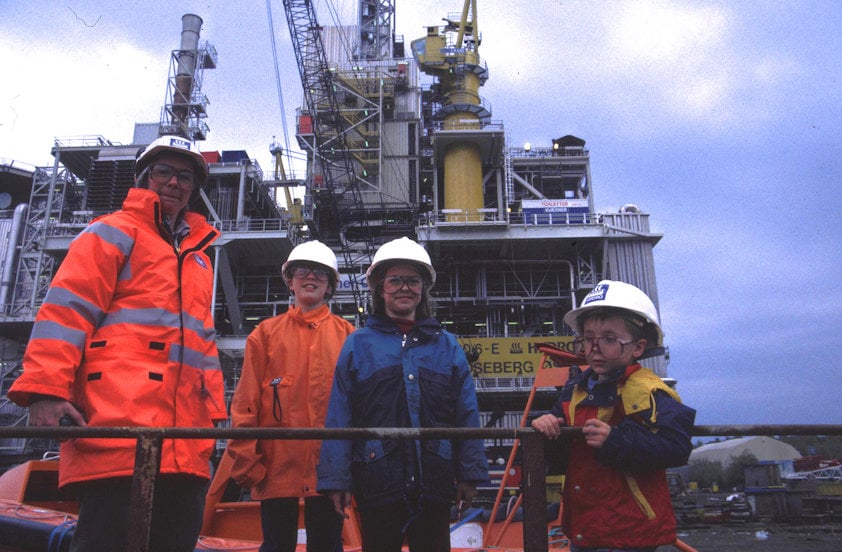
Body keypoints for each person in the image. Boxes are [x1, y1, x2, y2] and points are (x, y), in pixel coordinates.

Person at [7, 135, 226, 551]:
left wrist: (213, 420)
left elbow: (203, 347)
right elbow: (66, 312)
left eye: (185, 177)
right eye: (164, 172)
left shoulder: (198, 257)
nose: (175, 183)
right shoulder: (110, 233)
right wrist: (44, 391)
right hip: (117, 429)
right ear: (144, 178)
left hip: (186, 442)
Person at [317, 236, 489, 552]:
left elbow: (466, 412)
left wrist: (469, 472)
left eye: (412, 281)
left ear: (423, 289)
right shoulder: (358, 345)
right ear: (380, 288)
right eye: (395, 280)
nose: (404, 288)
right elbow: (340, 414)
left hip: (434, 483)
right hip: (377, 482)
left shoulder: (446, 345)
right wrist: (336, 480)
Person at [531, 279, 696, 552]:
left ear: (638, 347)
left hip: (629, 532)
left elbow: (676, 448)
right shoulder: (576, 390)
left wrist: (615, 441)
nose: (594, 348)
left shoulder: (648, 391)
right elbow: (560, 447)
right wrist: (543, 426)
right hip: (584, 528)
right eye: (588, 338)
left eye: (609, 339)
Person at [227, 240, 355, 552]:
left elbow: (358, 408)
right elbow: (245, 403)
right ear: (290, 281)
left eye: (320, 274)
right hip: (275, 469)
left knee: (327, 544)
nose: (310, 278)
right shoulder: (266, 335)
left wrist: (351, 469)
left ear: (329, 287)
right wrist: (247, 463)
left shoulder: (348, 336)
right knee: (276, 545)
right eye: (303, 271)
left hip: (328, 471)